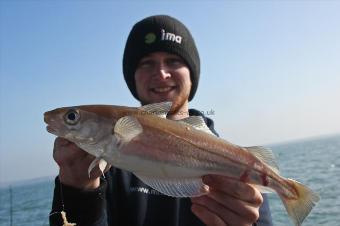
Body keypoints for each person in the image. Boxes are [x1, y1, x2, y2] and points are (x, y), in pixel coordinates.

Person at [49, 15, 273, 226]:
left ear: (191, 73)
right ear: (132, 77)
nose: (161, 73)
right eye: (147, 63)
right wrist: (76, 191)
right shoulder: (103, 170)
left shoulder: (234, 161)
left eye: (173, 60)